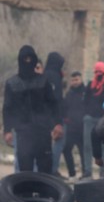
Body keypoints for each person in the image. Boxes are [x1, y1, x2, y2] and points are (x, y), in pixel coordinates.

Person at [3, 45, 63, 173]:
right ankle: (25, 193)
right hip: (23, 132)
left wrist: (58, 123)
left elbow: (53, 103)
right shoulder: (12, 83)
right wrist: (7, 130)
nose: (28, 62)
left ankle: (45, 193)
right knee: (25, 169)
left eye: (31, 59)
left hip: (43, 131)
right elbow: (7, 108)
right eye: (25, 59)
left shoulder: (43, 80)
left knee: (45, 169)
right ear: (20, 60)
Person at [82, 61, 104, 179]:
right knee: (87, 145)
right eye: (96, 72)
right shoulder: (90, 85)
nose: (98, 74)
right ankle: (88, 171)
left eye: (101, 72)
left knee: (103, 146)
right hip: (90, 119)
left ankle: (103, 172)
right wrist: (86, 113)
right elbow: (85, 101)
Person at [44, 52, 66, 177]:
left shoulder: (43, 75)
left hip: (43, 116)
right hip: (53, 116)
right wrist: (58, 121)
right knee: (58, 141)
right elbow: (56, 99)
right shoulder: (54, 76)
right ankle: (52, 169)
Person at [62, 71, 86, 181]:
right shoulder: (69, 93)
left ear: (81, 80)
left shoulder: (86, 92)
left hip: (82, 127)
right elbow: (65, 107)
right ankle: (72, 174)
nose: (75, 82)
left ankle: (86, 174)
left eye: (76, 79)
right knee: (66, 149)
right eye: (73, 80)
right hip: (71, 127)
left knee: (83, 152)